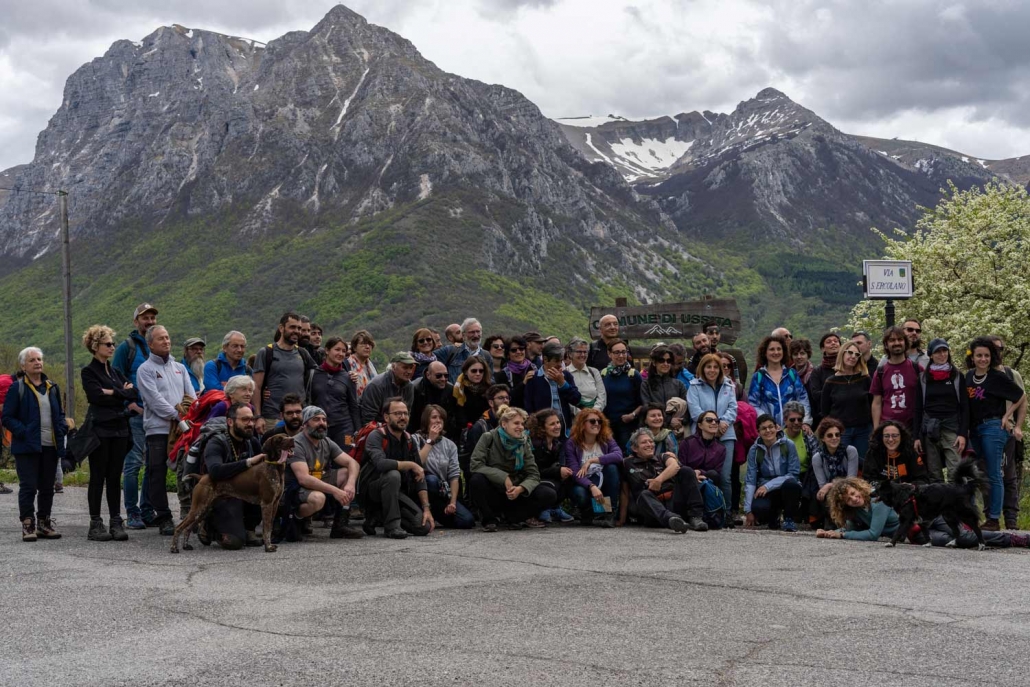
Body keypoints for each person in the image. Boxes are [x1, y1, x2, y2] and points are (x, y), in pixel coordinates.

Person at [3, 347, 68, 541]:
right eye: (32, 360)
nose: (37, 362)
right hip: (26, 447)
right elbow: (7, 417)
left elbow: (60, 414)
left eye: (39, 359)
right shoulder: (17, 388)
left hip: (50, 446)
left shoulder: (52, 387)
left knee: (47, 487)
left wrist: (62, 428)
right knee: (29, 487)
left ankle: (44, 524)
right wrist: (24, 432)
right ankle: (28, 524)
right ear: (23, 366)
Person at [136, 326, 196, 535]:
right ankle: (163, 517)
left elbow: (191, 396)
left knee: (186, 470)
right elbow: (154, 401)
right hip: (158, 430)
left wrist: (188, 414)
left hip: (182, 429)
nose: (166, 341)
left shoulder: (180, 368)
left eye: (168, 337)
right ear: (150, 344)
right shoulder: (145, 370)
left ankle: (190, 513)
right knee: (156, 472)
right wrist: (177, 415)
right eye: (161, 339)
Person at [80, 325, 138, 542]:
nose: (112, 347)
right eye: (108, 344)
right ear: (95, 346)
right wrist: (121, 392)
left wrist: (112, 392)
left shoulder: (114, 372)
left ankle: (115, 520)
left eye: (113, 343)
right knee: (98, 476)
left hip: (120, 430)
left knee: (114, 477)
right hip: (100, 431)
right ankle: (95, 523)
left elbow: (133, 393)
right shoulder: (89, 372)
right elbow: (95, 396)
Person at [965, 337, 1025, 531]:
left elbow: (1020, 396)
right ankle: (978, 517)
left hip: (993, 427)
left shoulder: (997, 377)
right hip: (975, 429)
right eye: (979, 355)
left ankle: (993, 518)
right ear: (972, 357)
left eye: (987, 355)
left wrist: (1007, 416)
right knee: (978, 473)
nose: (983, 359)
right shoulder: (968, 377)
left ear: (992, 357)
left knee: (994, 473)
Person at [469, 405, 557, 531]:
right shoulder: (489, 437)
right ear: (504, 424)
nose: (520, 427)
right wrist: (503, 477)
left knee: (549, 494)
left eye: (522, 424)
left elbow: (533, 474)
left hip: (515, 491)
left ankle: (514, 518)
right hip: (494, 488)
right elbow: (476, 465)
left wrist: (521, 488)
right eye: (516, 423)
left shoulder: (524, 441)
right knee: (476, 480)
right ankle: (489, 519)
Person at [358, 398, 434, 538]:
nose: (403, 417)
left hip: (397, 493)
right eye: (398, 413)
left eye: (405, 413)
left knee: (423, 527)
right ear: (386, 417)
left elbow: (419, 475)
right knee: (393, 475)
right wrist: (411, 464)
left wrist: (426, 509)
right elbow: (381, 464)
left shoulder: (409, 440)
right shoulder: (377, 435)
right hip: (373, 491)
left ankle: (379, 516)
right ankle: (392, 527)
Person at [284, 406, 363, 540]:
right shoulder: (296, 443)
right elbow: (303, 479)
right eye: (316, 419)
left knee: (347, 473)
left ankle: (340, 526)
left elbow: (353, 463)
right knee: (318, 498)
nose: (322, 423)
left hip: (317, 478)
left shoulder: (326, 441)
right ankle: (294, 519)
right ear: (305, 424)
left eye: (324, 420)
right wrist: (335, 491)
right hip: (295, 487)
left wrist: (350, 484)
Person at [112, 302, 157, 530]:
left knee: (153, 465)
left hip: (156, 416)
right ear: (136, 321)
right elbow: (115, 377)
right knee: (133, 464)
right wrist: (130, 404)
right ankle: (132, 512)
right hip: (136, 416)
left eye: (152, 318)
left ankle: (147, 511)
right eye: (145, 318)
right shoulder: (126, 347)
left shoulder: (157, 346)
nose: (149, 321)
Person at [200, 403, 265, 549]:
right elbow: (215, 471)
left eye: (252, 419)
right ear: (230, 422)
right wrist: (248, 462)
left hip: (244, 493)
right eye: (245, 420)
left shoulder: (252, 442)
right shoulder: (216, 442)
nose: (251, 424)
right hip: (220, 494)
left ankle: (249, 528)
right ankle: (208, 523)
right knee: (234, 542)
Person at [624, 428, 708, 532]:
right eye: (644, 442)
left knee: (686, 471)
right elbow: (624, 491)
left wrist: (658, 480)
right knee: (643, 494)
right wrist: (621, 520)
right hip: (652, 510)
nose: (649, 444)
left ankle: (696, 517)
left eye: (651, 441)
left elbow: (675, 466)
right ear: (634, 448)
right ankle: (672, 520)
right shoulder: (627, 463)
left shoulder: (662, 457)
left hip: (673, 502)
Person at [913, 338, 968, 484]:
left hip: (952, 429)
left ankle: (957, 499)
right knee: (934, 474)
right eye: (938, 352)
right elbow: (918, 409)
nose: (942, 354)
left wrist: (962, 434)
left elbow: (964, 407)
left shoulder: (957, 376)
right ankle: (939, 499)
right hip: (930, 430)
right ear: (931, 355)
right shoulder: (923, 378)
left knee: (956, 472)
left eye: (944, 351)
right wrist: (916, 436)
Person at [687, 353, 738, 504]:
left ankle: (726, 510)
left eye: (716, 367)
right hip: (702, 436)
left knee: (725, 477)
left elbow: (733, 408)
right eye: (708, 367)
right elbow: (695, 411)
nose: (712, 370)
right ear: (702, 368)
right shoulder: (694, 386)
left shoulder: (729, 385)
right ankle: (704, 507)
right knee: (704, 474)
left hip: (726, 433)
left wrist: (723, 422)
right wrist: (712, 425)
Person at [253, 313, 316, 433]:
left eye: (299, 328)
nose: (296, 331)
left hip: (298, 418)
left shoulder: (303, 353)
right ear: (281, 328)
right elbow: (256, 386)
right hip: (272, 417)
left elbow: (319, 374)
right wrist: (258, 417)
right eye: (292, 327)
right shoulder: (266, 352)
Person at [988, 335, 1027, 530]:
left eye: (1000, 349)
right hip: (984, 432)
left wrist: (1018, 426)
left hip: (1007, 432)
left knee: (1009, 475)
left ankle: (1011, 519)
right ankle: (989, 517)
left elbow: (1022, 401)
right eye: (993, 349)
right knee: (986, 474)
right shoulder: (978, 374)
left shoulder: (1012, 374)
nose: (997, 352)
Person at [413, 405, 474, 529]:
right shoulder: (415, 439)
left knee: (467, 521)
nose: (438, 420)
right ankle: (423, 511)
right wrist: (430, 440)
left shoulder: (450, 445)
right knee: (431, 480)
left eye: (441, 418)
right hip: (421, 490)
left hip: (442, 492)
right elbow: (417, 464)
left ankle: (437, 514)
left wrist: (452, 503)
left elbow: (454, 476)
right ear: (426, 420)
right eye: (434, 417)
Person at [564, 409, 623, 527]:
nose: (597, 424)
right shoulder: (572, 443)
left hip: (604, 483)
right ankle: (587, 512)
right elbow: (574, 471)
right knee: (579, 493)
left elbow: (618, 456)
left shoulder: (606, 439)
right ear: (582, 424)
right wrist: (591, 486)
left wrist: (591, 460)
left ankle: (609, 512)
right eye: (592, 421)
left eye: (599, 421)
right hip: (584, 484)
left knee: (612, 468)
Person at [743, 414, 802, 532]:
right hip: (767, 491)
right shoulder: (755, 450)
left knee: (792, 485)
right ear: (758, 432)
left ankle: (789, 519)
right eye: (763, 428)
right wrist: (748, 511)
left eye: (771, 427)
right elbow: (750, 479)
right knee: (758, 508)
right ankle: (773, 517)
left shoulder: (788, 445)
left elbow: (793, 474)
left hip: (785, 486)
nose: (768, 431)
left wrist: (768, 486)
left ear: (777, 427)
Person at [819, 340, 872, 459]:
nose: (853, 357)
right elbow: (825, 411)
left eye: (857, 354)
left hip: (863, 430)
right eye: (850, 352)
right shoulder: (830, 382)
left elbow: (873, 403)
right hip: (841, 432)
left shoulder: (865, 378)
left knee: (863, 463)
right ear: (842, 353)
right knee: (843, 463)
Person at [748, 335, 811, 429]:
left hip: (793, 428)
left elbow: (802, 399)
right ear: (765, 352)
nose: (776, 352)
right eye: (772, 349)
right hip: (770, 431)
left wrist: (805, 421)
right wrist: (768, 422)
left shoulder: (791, 374)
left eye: (779, 349)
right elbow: (753, 404)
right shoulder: (759, 377)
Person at [308, 336, 361, 447]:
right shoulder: (313, 375)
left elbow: (353, 405)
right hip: (319, 427)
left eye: (344, 351)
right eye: (337, 349)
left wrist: (358, 430)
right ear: (327, 350)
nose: (341, 354)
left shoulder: (349, 377)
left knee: (348, 453)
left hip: (345, 429)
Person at [870, 326, 922, 432]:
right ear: (886, 344)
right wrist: (876, 429)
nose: (896, 343)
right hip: (887, 428)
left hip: (912, 428)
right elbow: (877, 403)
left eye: (900, 339)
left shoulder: (917, 369)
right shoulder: (880, 372)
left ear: (905, 343)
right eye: (892, 340)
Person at [809, 418, 860, 527]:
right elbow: (822, 486)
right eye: (830, 435)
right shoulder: (817, 458)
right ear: (822, 438)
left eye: (837, 435)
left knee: (847, 492)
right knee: (824, 495)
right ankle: (832, 521)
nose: (834, 438)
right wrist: (828, 486)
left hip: (850, 488)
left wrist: (830, 485)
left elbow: (851, 481)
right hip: (830, 494)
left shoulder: (850, 451)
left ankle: (849, 522)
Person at [816, 477, 900, 542]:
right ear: (845, 505)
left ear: (858, 488)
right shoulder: (856, 508)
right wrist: (828, 533)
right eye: (848, 499)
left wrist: (842, 535)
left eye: (853, 493)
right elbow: (850, 527)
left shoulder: (878, 499)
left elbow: (873, 534)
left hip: (906, 535)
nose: (854, 499)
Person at [524, 342, 581, 436]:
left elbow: (576, 399)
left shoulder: (566, 376)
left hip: (564, 430)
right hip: (542, 431)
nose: (560, 364)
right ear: (546, 359)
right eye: (556, 361)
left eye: (561, 361)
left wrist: (563, 384)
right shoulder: (534, 378)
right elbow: (528, 407)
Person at [529, 409, 575, 523]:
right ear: (542, 427)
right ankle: (541, 510)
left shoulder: (556, 443)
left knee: (570, 478)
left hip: (547, 478)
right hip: (532, 480)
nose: (557, 426)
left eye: (558, 422)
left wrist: (562, 471)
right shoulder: (535, 444)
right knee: (549, 492)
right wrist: (558, 471)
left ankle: (554, 508)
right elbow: (535, 471)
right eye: (552, 424)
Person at [601, 339, 642, 449]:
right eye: (617, 352)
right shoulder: (603, 374)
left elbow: (643, 402)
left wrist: (632, 415)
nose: (621, 356)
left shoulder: (634, 375)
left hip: (628, 426)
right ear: (609, 354)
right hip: (608, 426)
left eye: (624, 352)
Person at [863, 420, 927, 490]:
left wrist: (911, 486)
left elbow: (923, 479)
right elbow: (867, 479)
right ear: (881, 437)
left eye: (894, 436)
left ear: (901, 437)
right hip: (881, 492)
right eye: (886, 436)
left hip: (906, 492)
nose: (890, 439)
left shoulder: (910, 452)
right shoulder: (873, 452)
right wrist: (888, 486)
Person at [359, 352, 417, 425]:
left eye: (411, 368)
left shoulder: (410, 386)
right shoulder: (376, 385)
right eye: (405, 367)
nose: (409, 371)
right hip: (374, 428)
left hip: (396, 427)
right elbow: (368, 419)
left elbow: (407, 413)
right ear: (393, 367)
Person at [408, 361, 459, 443]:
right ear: (428, 375)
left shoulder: (450, 389)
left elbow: (451, 417)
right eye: (438, 376)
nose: (443, 379)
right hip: (418, 434)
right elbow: (411, 418)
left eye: (446, 375)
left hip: (443, 435)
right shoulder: (415, 388)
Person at [640, 345, 687, 428]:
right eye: (661, 360)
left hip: (676, 429)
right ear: (654, 362)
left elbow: (687, 408)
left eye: (669, 361)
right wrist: (669, 420)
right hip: (654, 428)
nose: (666, 364)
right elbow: (647, 408)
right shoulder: (646, 385)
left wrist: (681, 421)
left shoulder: (679, 385)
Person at [435, 318, 490, 383]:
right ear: (463, 335)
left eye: (478, 331)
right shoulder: (449, 351)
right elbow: (428, 358)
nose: (476, 335)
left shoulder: (486, 356)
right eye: (472, 332)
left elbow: (490, 379)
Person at [808, 333, 841, 428]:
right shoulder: (817, 371)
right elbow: (816, 395)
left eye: (836, 341)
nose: (833, 343)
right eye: (829, 342)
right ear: (823, 349)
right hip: (826, 417)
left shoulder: (848, 367)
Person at [567, 337, 606, 415]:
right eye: (579, 352)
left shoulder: (594, 372)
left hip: (594, 417)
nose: (583, 355)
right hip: (574, 418)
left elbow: (602, 396)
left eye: (585, 352)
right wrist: (581, 414)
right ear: (570, 354)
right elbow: (565, 399)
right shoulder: (565, 373)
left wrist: (595, 412)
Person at [451, 355, 492, 431]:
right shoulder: (459, 388)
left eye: (481, 371)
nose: (478, 373)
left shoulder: (490, 388)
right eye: (474, 371)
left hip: (486, 429)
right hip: (463, 430)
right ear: (466, 371)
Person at [495, 335, 532, 409]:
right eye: (514, 350)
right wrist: (523, 383)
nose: (518, 352)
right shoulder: (502, 375)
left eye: (521, 349)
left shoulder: (534, 368)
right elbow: (508, 398)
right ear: (508, 354)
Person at [348, 329, 378, 398]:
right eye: (363, 344)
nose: (367, 347)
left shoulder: (370, 366)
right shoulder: (347, 364)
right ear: (354, 347)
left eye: (370, 344)